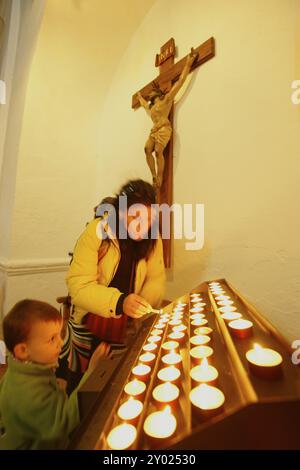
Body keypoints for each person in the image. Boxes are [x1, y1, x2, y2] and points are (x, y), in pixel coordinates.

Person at [65, 179, 165, 390]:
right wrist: (120, 302)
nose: (142, 225)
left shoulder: (153, 240)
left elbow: (156, 278)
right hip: (89, 326)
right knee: (83, 389)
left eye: (148, 218)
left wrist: (143, 304)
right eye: (134, 215)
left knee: (115, 387)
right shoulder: (97, 232)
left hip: (125, 330)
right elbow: (79, 287)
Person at [0, 299, 108, 450]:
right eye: (52, 339)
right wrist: (91, 372)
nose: (61, 343)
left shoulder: (19, 368)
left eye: (59, 335)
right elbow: (62, 422)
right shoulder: (28, 392)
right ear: (23, 351)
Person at [137, 49, 197, 189]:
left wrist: (188, 63)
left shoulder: (167, 100)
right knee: (147, 149)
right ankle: (153, 174)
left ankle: (160, 177)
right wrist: (139, 97)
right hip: (154, 130)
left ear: (157, 93)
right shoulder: (152, 108)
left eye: (153, 91)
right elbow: (145, 104)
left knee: (158, 152)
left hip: (164, 128)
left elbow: (180, 81)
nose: (150, 92)